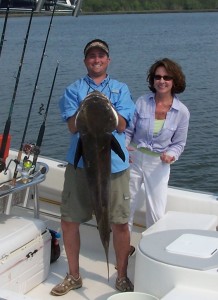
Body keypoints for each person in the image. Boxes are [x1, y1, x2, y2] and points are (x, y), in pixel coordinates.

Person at [50, 39, 135, 296]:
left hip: (115, 165)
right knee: (68, 220)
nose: (96, 59)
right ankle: (74, 275)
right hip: (80, 163)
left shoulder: (121, 88)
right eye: (91, 56)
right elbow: (73, 126)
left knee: (119, 222)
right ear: (85, 60)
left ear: (108, 59)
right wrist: (88, 106)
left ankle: (121, 276)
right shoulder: (73, 89)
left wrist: (104, 105)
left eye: (101, 56)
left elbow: (120, 126)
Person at [125, 58, 190, 231]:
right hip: (133, 159)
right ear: (152, 80)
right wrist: (123, 148)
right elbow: (128, 131)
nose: (161, 81)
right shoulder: (141, 102)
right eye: (157, 77)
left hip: (159, 164)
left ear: (174, 81)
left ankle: (150, 253)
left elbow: (179, 143)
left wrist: (171, 155)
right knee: (125, 208)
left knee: (156, 214)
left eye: (167, 77)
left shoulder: (182, 112)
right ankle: (122, 249)